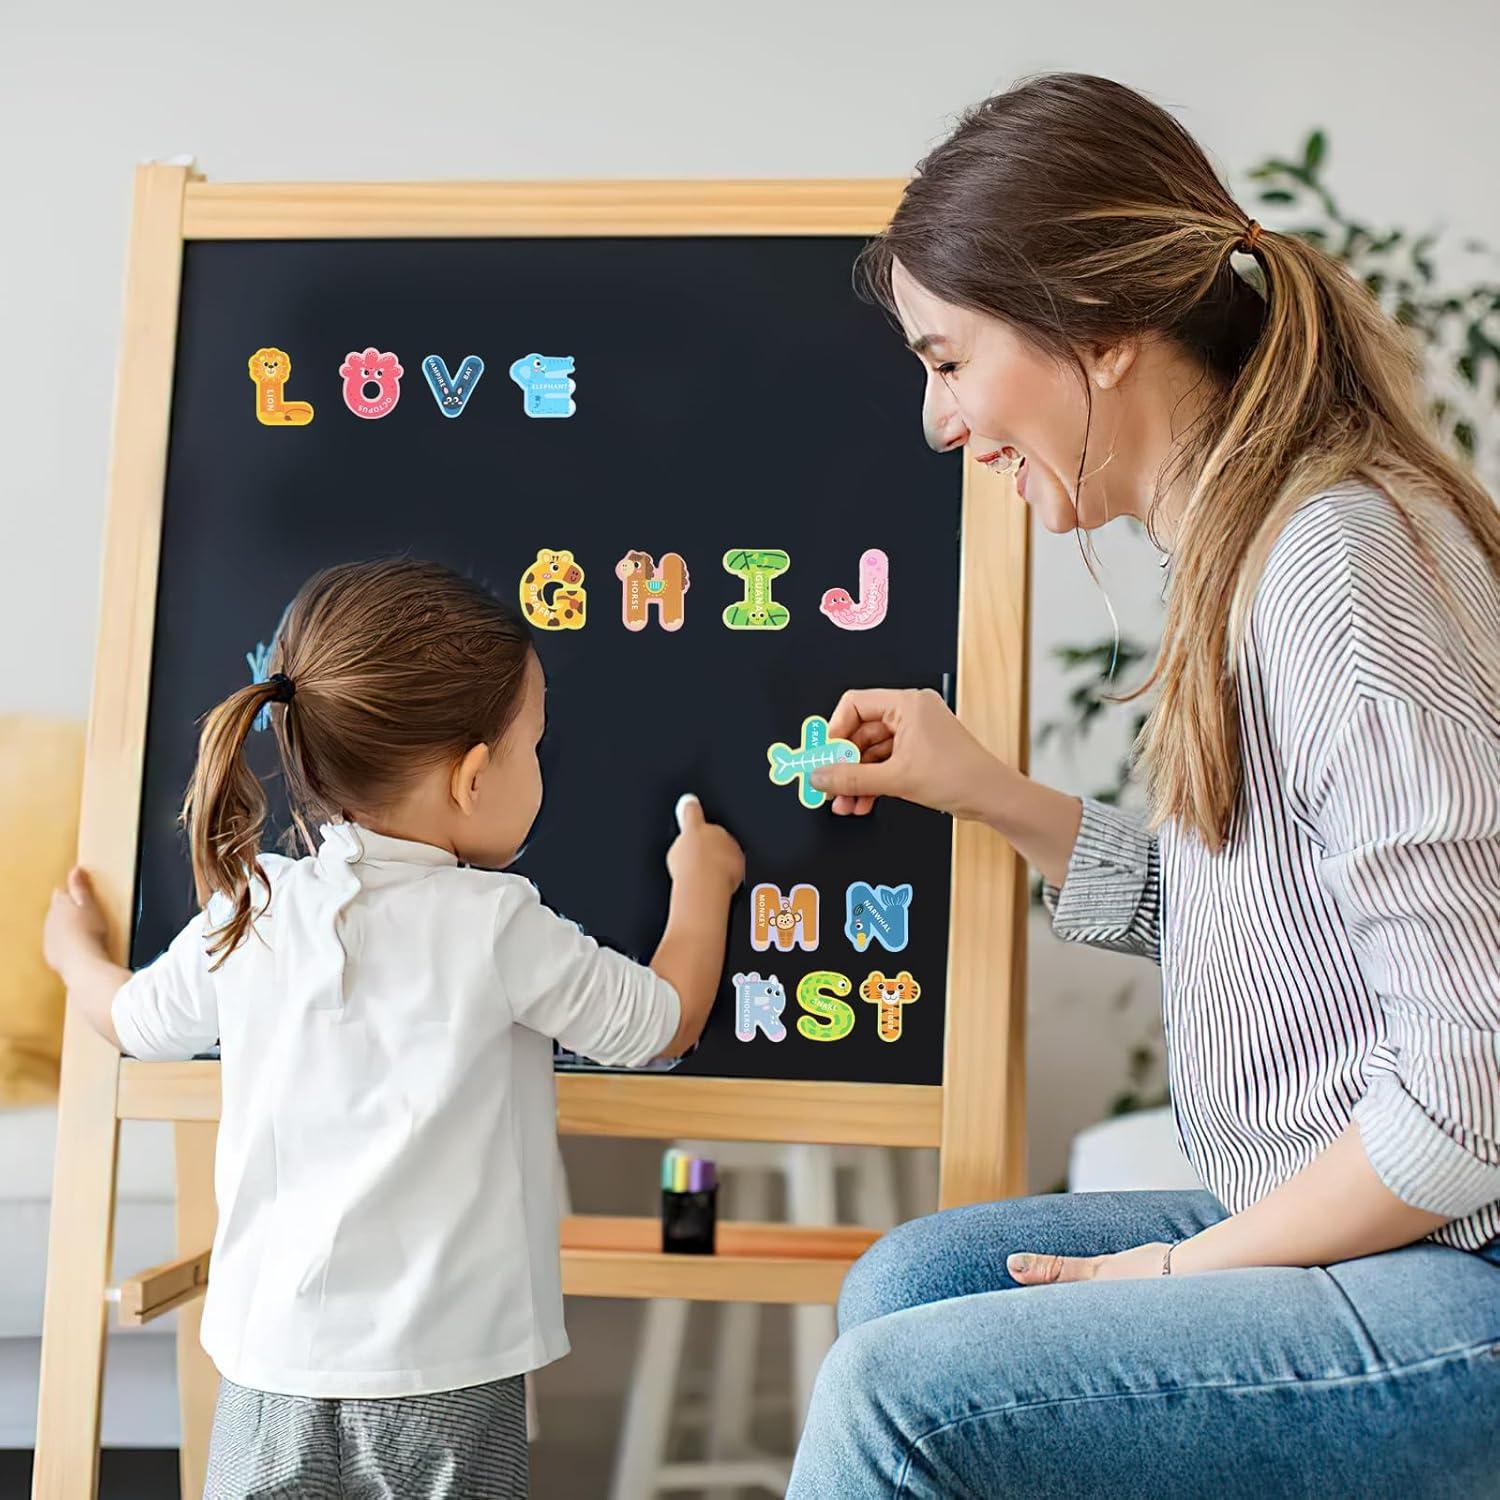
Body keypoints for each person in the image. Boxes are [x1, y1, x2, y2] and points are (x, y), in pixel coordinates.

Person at [787, 73, 1500, 1497]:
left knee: (896, 1395)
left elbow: (1475, 1082)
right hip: (1405, 1229)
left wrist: (1179, 1270)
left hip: (1463, 1264)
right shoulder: (1253, 550)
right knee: (913, 1283)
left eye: (948, 359)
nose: (938, 423)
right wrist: (986, 789)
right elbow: (1264, 927)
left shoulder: (1333, 569)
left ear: (1093, 331)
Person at [43, 558, 744, 1499]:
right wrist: (705, 884)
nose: (543, 768)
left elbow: (131, 1018)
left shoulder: (251, 909)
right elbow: (661, 1023)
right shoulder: (495, 924)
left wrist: (72, 953)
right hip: (448, 1373)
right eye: (536, 748)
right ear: (473, 777)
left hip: (269, 1366)